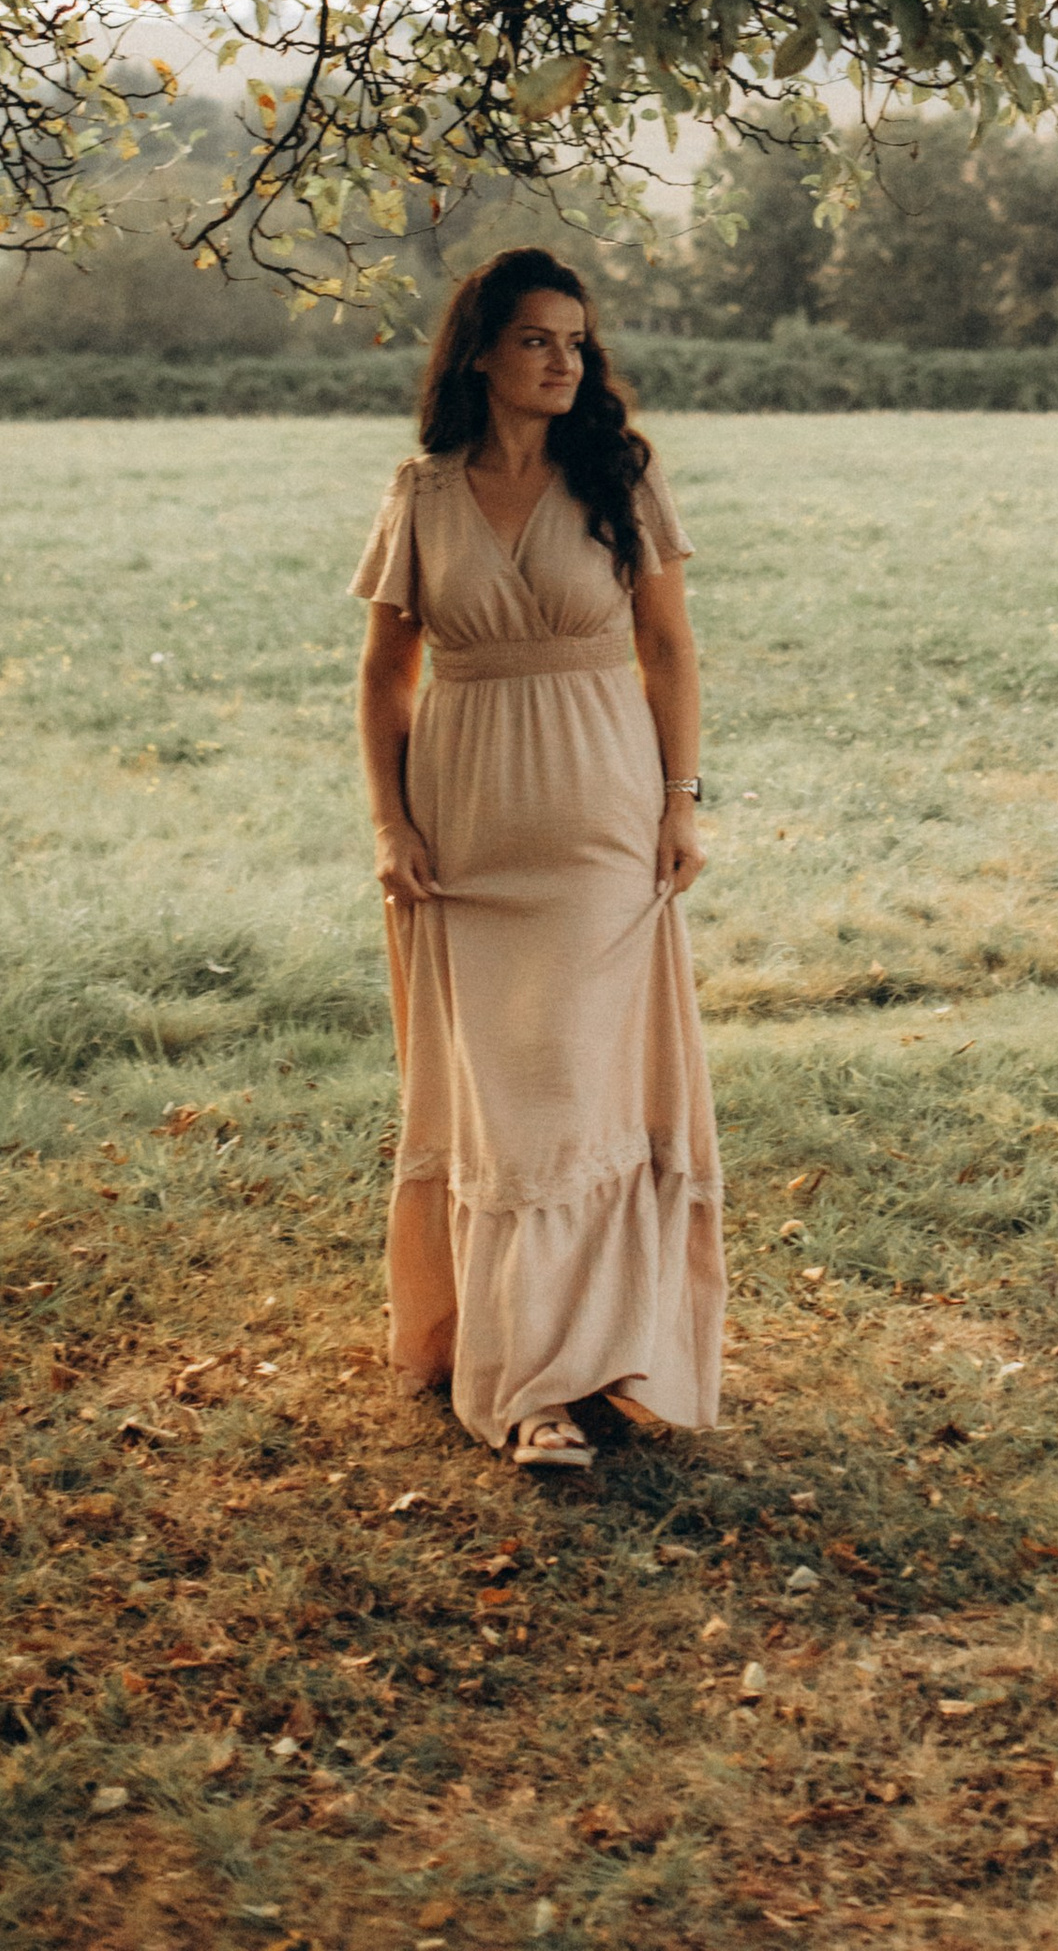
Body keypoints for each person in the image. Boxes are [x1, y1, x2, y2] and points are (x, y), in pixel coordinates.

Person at [350, 245, 723, 1468]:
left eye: (576, 342)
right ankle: (521, 1377)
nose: (564, 362)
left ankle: (592, 1364)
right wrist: (391, 822)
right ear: (480, 354)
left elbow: (668, 650)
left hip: (603, 834)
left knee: (583, 1091)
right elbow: (383, 674)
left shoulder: (620, 478)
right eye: (536, 341)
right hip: (465, 840)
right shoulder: (423, 493)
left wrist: (680, 800)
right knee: (506, 1112)